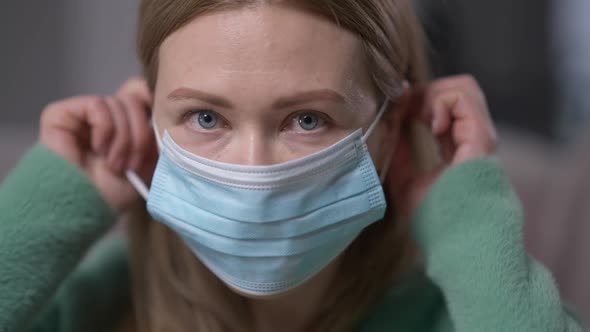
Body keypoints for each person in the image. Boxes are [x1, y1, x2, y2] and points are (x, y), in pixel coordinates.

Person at [0, 0, 583, 331]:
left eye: (307, 119)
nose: (253, 173)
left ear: (389, 132)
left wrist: (468, 222)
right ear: (152, 121)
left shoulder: (465, 315)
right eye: (206, 118)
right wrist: (46, 209)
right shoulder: (97, 307)